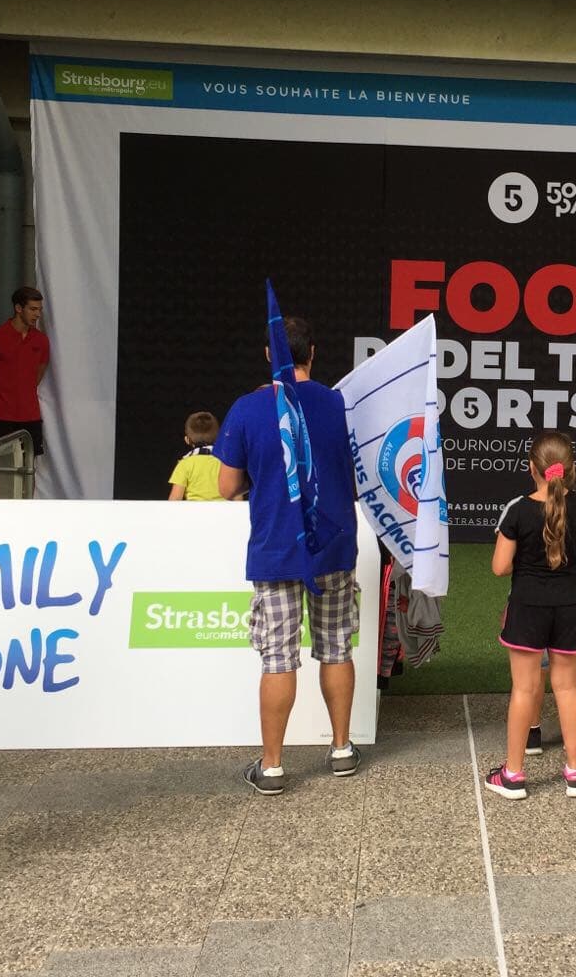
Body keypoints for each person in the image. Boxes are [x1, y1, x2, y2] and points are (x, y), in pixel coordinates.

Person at [217, 318, 360, 795]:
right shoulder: (338, 403)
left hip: (276, 546)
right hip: (333, 543)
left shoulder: (247, 407)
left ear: (268, 354)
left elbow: (226, 486)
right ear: (312, 352)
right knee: (336, 646)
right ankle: (341, 749)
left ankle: (273, 766)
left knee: (278, 657)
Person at [487, 431, 576, 800]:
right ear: (571, 469)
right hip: (571, 608)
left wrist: (530, 564)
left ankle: (513, 775)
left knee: (524, 689)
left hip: (527, 609)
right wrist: (567, 567)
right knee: (568, 688)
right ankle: (575, 773)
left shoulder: (518, 509)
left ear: (531, 468)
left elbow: (499, 567)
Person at [0, 286, 50, 455]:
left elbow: (38, 373)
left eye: (39, 310)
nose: (37, 314)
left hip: (30, 416)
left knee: (28, 465)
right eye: (33, 309)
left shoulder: (41, 341)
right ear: (18, 308)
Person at [167, 411, 225, 501]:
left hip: (193, 510)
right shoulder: (226, 463)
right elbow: (237, 497)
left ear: (187, 440)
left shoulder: (184, 464)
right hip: (223, 510)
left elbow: (175, 499)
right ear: (218, 438)